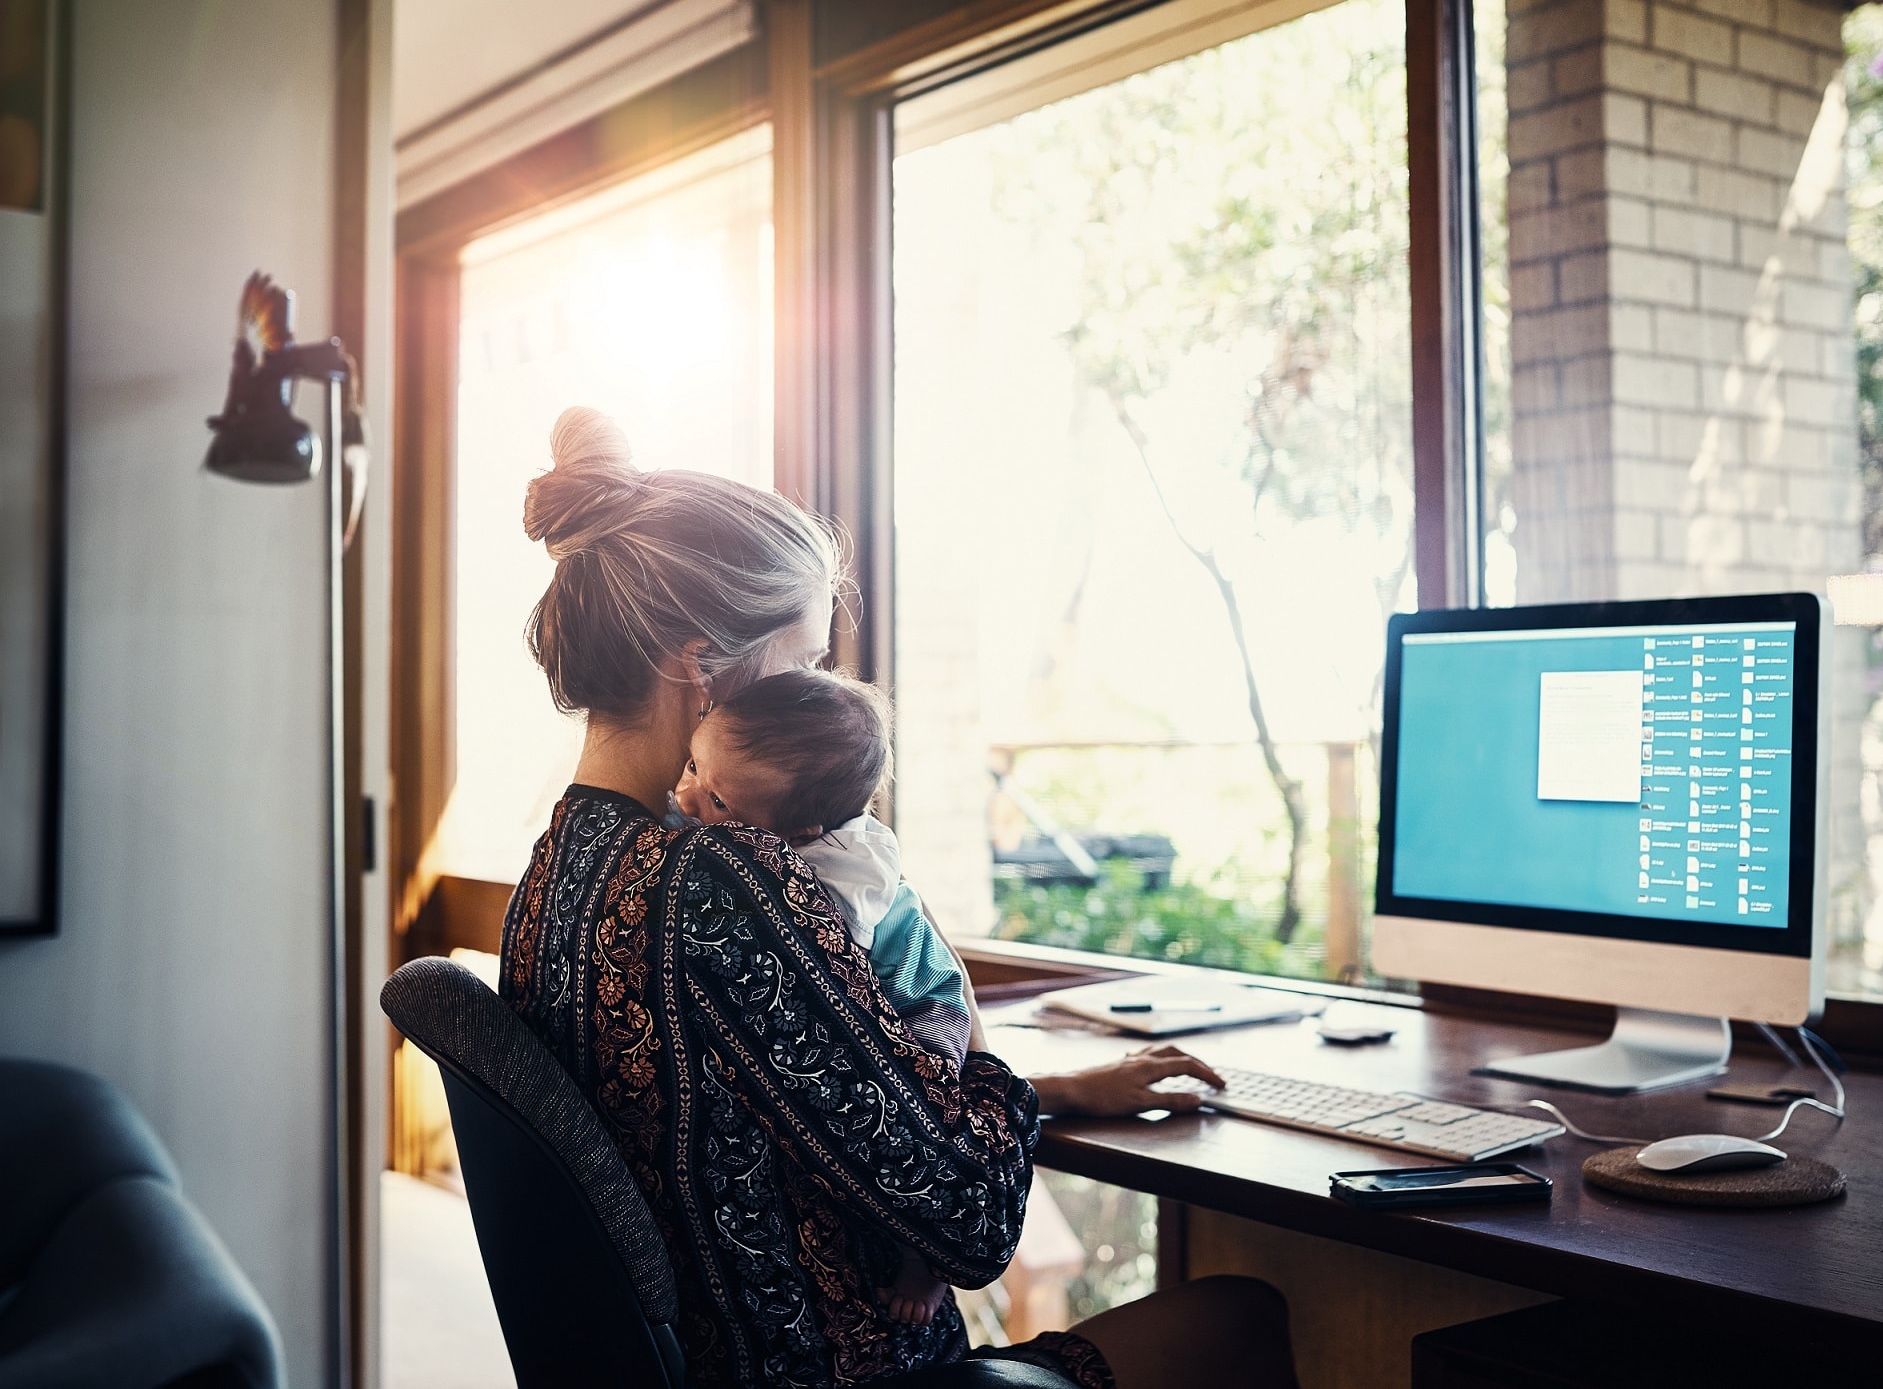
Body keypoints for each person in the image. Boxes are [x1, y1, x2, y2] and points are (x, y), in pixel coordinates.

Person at [500, 407, 1300, 1389]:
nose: (814, 696)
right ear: (700, 667)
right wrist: (995, 1073)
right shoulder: (726, 881)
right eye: (800, 664)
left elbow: (770, 1110)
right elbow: (969, 1222)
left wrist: (1063, 1090)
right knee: (1240, 1316)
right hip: (846, 1375)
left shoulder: (558, 869)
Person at [663, 666, 968, 1324]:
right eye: (692, 765)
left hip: (923, 1001)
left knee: (930, 1107)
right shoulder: (766, 827)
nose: (687, 797)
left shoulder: (839, 875)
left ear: (797, 833)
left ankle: (929, 1261)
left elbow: (837, 971)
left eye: (716, 803)